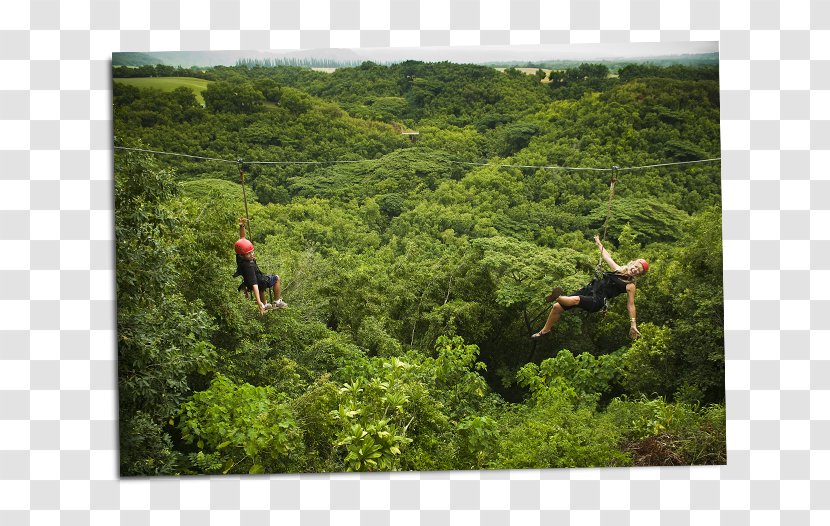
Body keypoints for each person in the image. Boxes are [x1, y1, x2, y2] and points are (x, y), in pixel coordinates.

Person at [531, 235, 648, 340]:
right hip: (590, 289)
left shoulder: (630, 285)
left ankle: (556, 296)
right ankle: (545, 330)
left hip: (598, 300)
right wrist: (598, 242)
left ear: (639, 275)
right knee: (556, 308)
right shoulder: (618, 270)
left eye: (638, 271)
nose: (635, 270)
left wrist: (633, 324)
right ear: (632, 263)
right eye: (636, 266)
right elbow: (608, 257)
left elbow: (631, 304)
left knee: (575, 300)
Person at [234, 217, 287, 315]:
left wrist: (241, 226)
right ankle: (277, 301)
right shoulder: (249, 266)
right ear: (243, 254)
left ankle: (265, 303)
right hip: (256, 282)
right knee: (276, 278)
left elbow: (242, 240)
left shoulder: (240, 257)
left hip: (248, 282)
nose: (251, 254)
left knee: (261, 283)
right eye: (249, 254)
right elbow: (255, 286)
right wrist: (258, 303)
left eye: (251, 252)